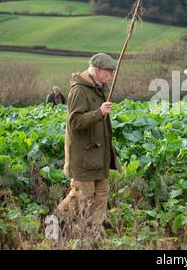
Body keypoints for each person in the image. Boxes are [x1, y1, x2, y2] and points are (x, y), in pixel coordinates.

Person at [52, 53, 121, 237]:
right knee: (81, 195)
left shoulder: (97, 88)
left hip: (98, 156)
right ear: (97, 70)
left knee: (102, 192)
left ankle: (92, 231)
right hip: (83, 157)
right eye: (108, 72)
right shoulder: (79, 91)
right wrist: (98, 113)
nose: (111, 76)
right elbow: (74, 122)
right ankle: (54, 223)